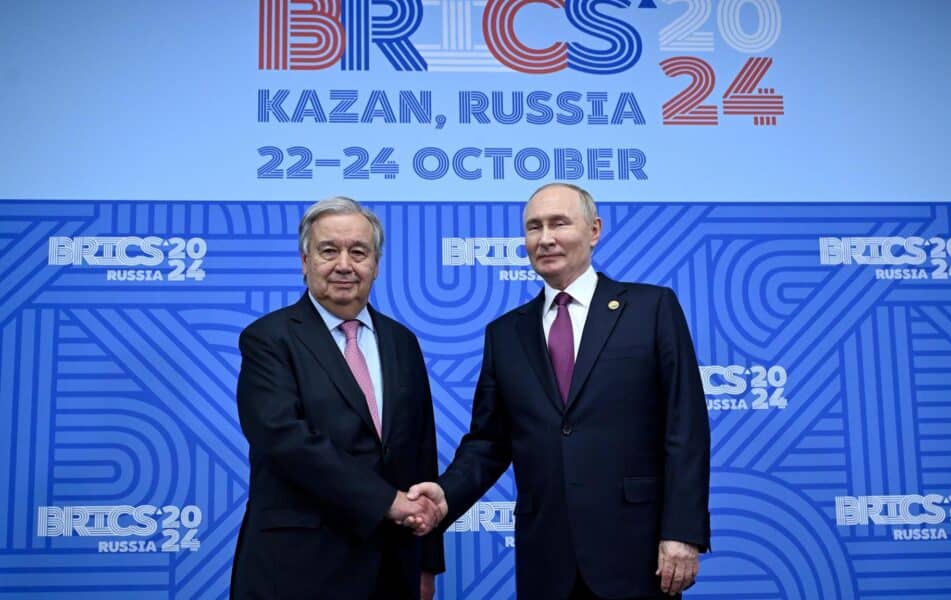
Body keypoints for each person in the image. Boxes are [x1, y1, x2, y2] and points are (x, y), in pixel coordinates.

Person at [410, 183, 711, 599]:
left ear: (594, 230)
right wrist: (444, 495)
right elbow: (489, 442)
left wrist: (682, 532)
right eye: (534, 227)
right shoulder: (505, 334)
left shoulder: (651, 309)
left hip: (638, 555)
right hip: (546, 560)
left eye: (559, 223)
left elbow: (686, 427)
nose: (545, 238)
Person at [231, 197, 444, 599]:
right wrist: (387, 502)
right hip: (296, 569)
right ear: (304, 260)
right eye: (329, 250)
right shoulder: (268, 339)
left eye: (358, 252)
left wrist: (426, 562)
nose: (344, 264)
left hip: (392, 567)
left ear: (376, 265)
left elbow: (421, 452)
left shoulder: (402, 342)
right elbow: (284, 441)